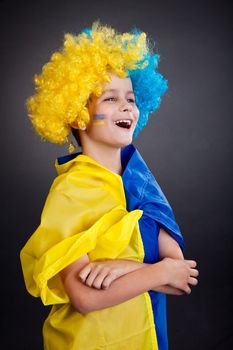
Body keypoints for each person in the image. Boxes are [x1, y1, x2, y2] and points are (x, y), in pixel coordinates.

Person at [20, 22, 199, 350]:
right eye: (110, 99)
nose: (127, 106)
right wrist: (154, 273)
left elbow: (182, 276)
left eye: (131, 98)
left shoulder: (140, 184)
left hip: (144, 339)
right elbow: (85, 297)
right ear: (79, 116)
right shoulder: (71, 191)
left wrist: (122, 267)